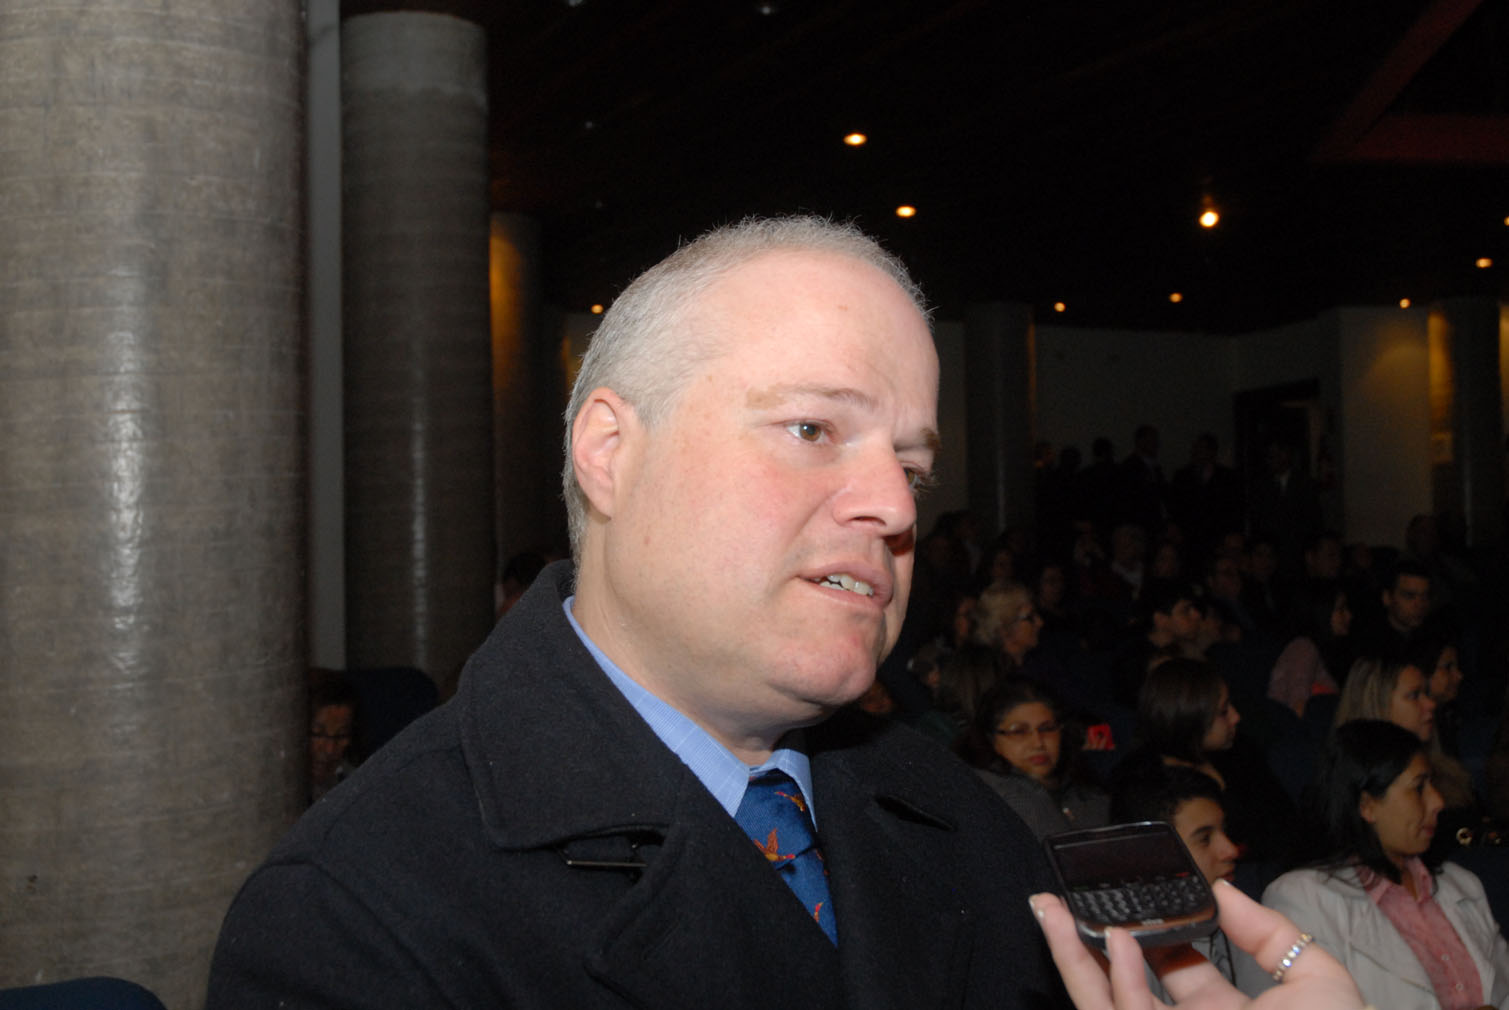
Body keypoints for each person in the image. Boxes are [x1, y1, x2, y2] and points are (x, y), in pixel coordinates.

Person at [206, 216, 1059, 1008]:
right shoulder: (355, 916)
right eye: (811, 429)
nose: (895, 506)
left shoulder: (969, 817)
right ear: (610, 453)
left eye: (910, 469)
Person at [1262, 719, 1509, 1009]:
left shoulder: (1462, 885)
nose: (1438, 801)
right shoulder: (1303, 900)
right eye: (1419, 788)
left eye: (1432, 784)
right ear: (1367, 805)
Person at [1109, 763, 1274, 999]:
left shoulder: (1242, 918)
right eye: (1205, 839)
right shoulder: (1124, 951)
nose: (1230, 850)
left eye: (1225, 831)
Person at [957, 678, 1109, 839]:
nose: (1038, 743)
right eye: (1019, 732)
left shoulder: (1086, 789)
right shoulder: (988, 798)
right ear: (991, 739)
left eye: (1047, 729)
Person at [1267, 579, 1353, 717]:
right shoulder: (1304, 648)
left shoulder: (1330, 651)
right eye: (1340, 609)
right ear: (1322, 611)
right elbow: (1297, 709)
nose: (1348, 615)